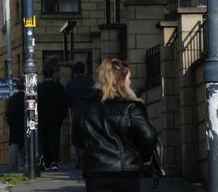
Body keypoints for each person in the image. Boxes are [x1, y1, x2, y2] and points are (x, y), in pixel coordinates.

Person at [73, 59, 158, 192]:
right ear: (121, 80)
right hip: (127, 171)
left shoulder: (84, 106)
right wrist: (143, 157)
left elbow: (77, 140)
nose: (130, 82)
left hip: (96, 171)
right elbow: (148, 135)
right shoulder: (131, 106)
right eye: (129, 78)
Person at [37, 66, 68, 171]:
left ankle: (46, 161)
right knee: (54, 138)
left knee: (44, 139)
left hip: (43, 118)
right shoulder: (58, 87)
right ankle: (54, 161)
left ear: (43, 75)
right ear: (53, 75)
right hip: (56, 117)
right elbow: (64, 102)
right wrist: (63, 115)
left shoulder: (39, 88)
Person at [66, 61, 95, 168]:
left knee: (77, 135)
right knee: (88, 134)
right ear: (84, 70)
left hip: (75, 111)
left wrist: (72, 106)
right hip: (88, 111)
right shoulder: (90, 81)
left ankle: (80, 157)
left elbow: (67, 99)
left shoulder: (70, 83)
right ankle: (87, 157)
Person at [5, 86, 25, 171]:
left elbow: (8, 114)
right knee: (25, 147)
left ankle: (14, 167)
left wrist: (10, 123)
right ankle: (23, 165)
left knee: (14, 146)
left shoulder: (12, 99)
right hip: (25, 126)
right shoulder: (28, 98)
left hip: (15, 127)